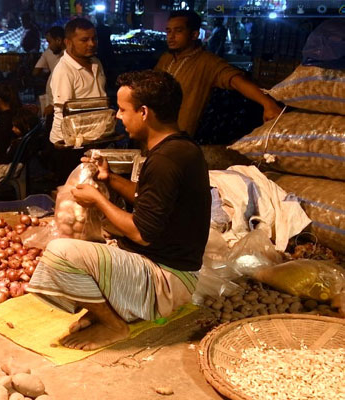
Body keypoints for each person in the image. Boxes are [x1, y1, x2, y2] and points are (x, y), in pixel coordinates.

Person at [26, 70, 211, 350]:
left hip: (169, 280)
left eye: (124, 109)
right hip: (164, 267)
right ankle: (109, 312)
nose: (118, 116)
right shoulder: (178, 149)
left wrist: (98, 200)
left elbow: (141, 233)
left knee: (59, 253)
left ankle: (114, 325)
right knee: (92, 239)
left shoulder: (167, 160)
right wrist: (108, 178)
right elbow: (143, 197)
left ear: (144, 112)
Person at [155, 10, 282, 138]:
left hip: (179, 139)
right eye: (168, 31)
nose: (171, 36)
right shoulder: (166, 59)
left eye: (178, 31)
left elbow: (237, 82)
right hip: (155, 132)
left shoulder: (208, 62)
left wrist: (268, 104)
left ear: (194, 34)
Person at [48, 18, 107, 184]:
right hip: (69, 145)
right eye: (84, 40)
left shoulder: (96, 63)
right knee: (72, 195)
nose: (91, 44)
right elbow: (67, 112)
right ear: (68, 42)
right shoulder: (63, 70)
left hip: (92, 139)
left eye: (94, 38)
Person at [33, 26, 65, 128]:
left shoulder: (66, 60)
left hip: (58, 108)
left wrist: (53, 105)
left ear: (59, 40)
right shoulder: (61, 57)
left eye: (49, 42)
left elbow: (64, 86)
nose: (49, 47)